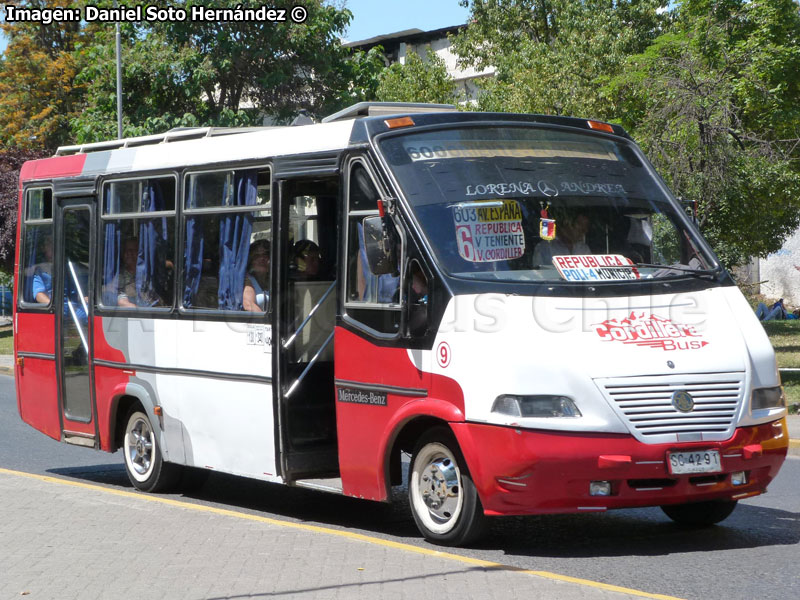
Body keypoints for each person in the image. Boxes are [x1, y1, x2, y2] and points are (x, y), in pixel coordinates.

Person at [243, 239, 270, 312]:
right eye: (257, 256)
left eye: (265, 255)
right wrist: (267, 322)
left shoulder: (274, 279)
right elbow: (248, 305)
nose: (262, 259)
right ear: (251, 260)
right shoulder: (247, 280)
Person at [31, 235, 54, 304]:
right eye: (50, 244)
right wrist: (53, 305)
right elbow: (38, 294)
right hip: (57, 310)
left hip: (76, 308)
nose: (53, 247)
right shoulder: (40, 271)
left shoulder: (69, 267)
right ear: (44, 249)